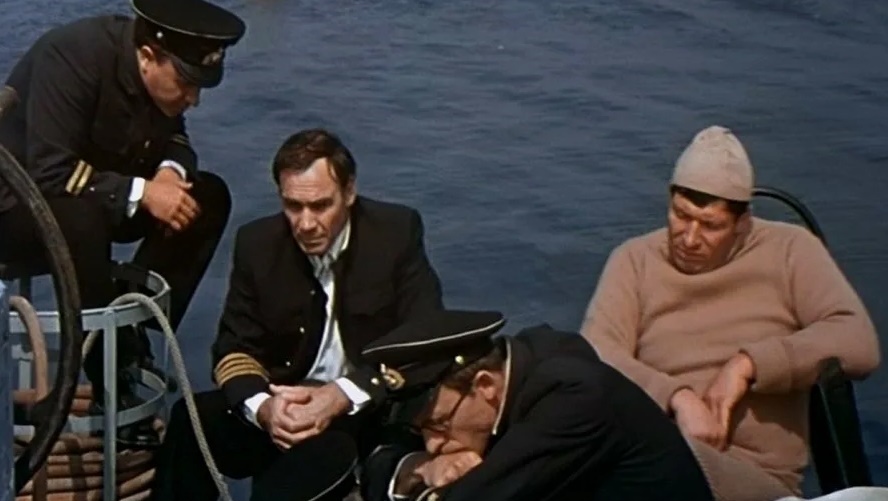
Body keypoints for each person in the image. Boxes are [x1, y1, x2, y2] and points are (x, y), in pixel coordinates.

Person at [579, 125, 881, 501]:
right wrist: (677, 397)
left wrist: (747, 365)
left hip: (750, 476)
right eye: (680, 215)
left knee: (641, 464)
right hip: (654, 444)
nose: (690, 238)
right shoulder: (634, 260)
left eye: (710, 226)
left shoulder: (791, 250)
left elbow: (858, 340)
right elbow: (596, 353)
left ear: (741, 224)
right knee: (544, 379)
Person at [149, 128, 445, 501]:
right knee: (191, 420)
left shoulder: (395, 234)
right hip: (285, 405)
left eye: (320, 206)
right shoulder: (257, 244)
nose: (305, 223)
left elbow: (426, 338)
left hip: (367, 408)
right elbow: (233, 349)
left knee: (322, 459)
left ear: (349, 192)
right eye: (293, 206)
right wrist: (265, 409)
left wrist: (342, 394)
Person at [0, 0, 246, 440]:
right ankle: (111, 373)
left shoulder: (158, 80)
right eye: (186, 84)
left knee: (206, 199)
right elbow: (49, 173)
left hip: (97, 202)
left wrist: (170, 174)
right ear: (149, 56)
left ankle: (134, 328)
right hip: (17, 211)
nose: (193, 99)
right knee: (82, 217)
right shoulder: (72, 57)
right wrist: (143, 193)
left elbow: (175, 138)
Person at [358, 309, 716, 501]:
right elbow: (374, 463)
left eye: (438, 425)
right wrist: (419, 469)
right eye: (422, 429)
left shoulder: (574, 400)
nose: (433, 443)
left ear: (484, 386)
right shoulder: (492, 385)